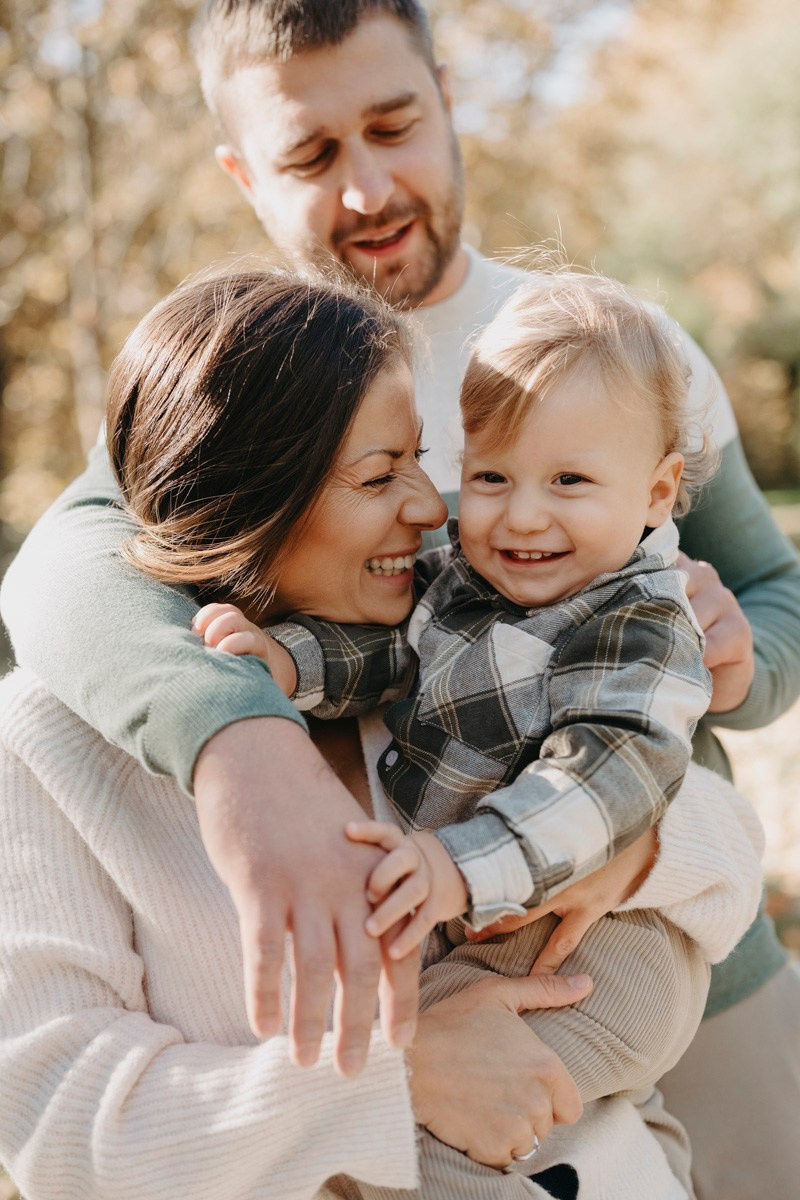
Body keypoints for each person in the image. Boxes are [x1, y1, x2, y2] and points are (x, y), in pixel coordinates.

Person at [1, 2, 799, 1194]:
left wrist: (733, 665)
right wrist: (241, 736)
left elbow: (768, 584)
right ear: (242, 173)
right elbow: (71, 566)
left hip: (665, 910)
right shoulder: (246, 375)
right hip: (452, 933)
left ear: (444, 99)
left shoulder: (618, 343)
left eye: (393, 125)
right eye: (312, 155)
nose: (368, 187)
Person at [0, 268, 602, 1200]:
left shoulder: (435, 647)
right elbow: (62, 1129)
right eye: (378, 475)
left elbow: (716, 839)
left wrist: (609, 851)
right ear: (244, 501)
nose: (431, 507)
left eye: (419, 457)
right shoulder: (42, 742)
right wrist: (391, 1079)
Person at [192, 269, 766, 1198]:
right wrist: (291, 663)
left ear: (658, 494)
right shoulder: (470, 574)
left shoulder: (638, 624)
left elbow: (604, 777)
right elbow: (391, 654)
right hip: (491, 937)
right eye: (493, 476)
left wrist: (461, 864)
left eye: (570, 481)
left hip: (604, 956)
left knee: (443, 1145)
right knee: (432, 1094)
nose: (522, 515)